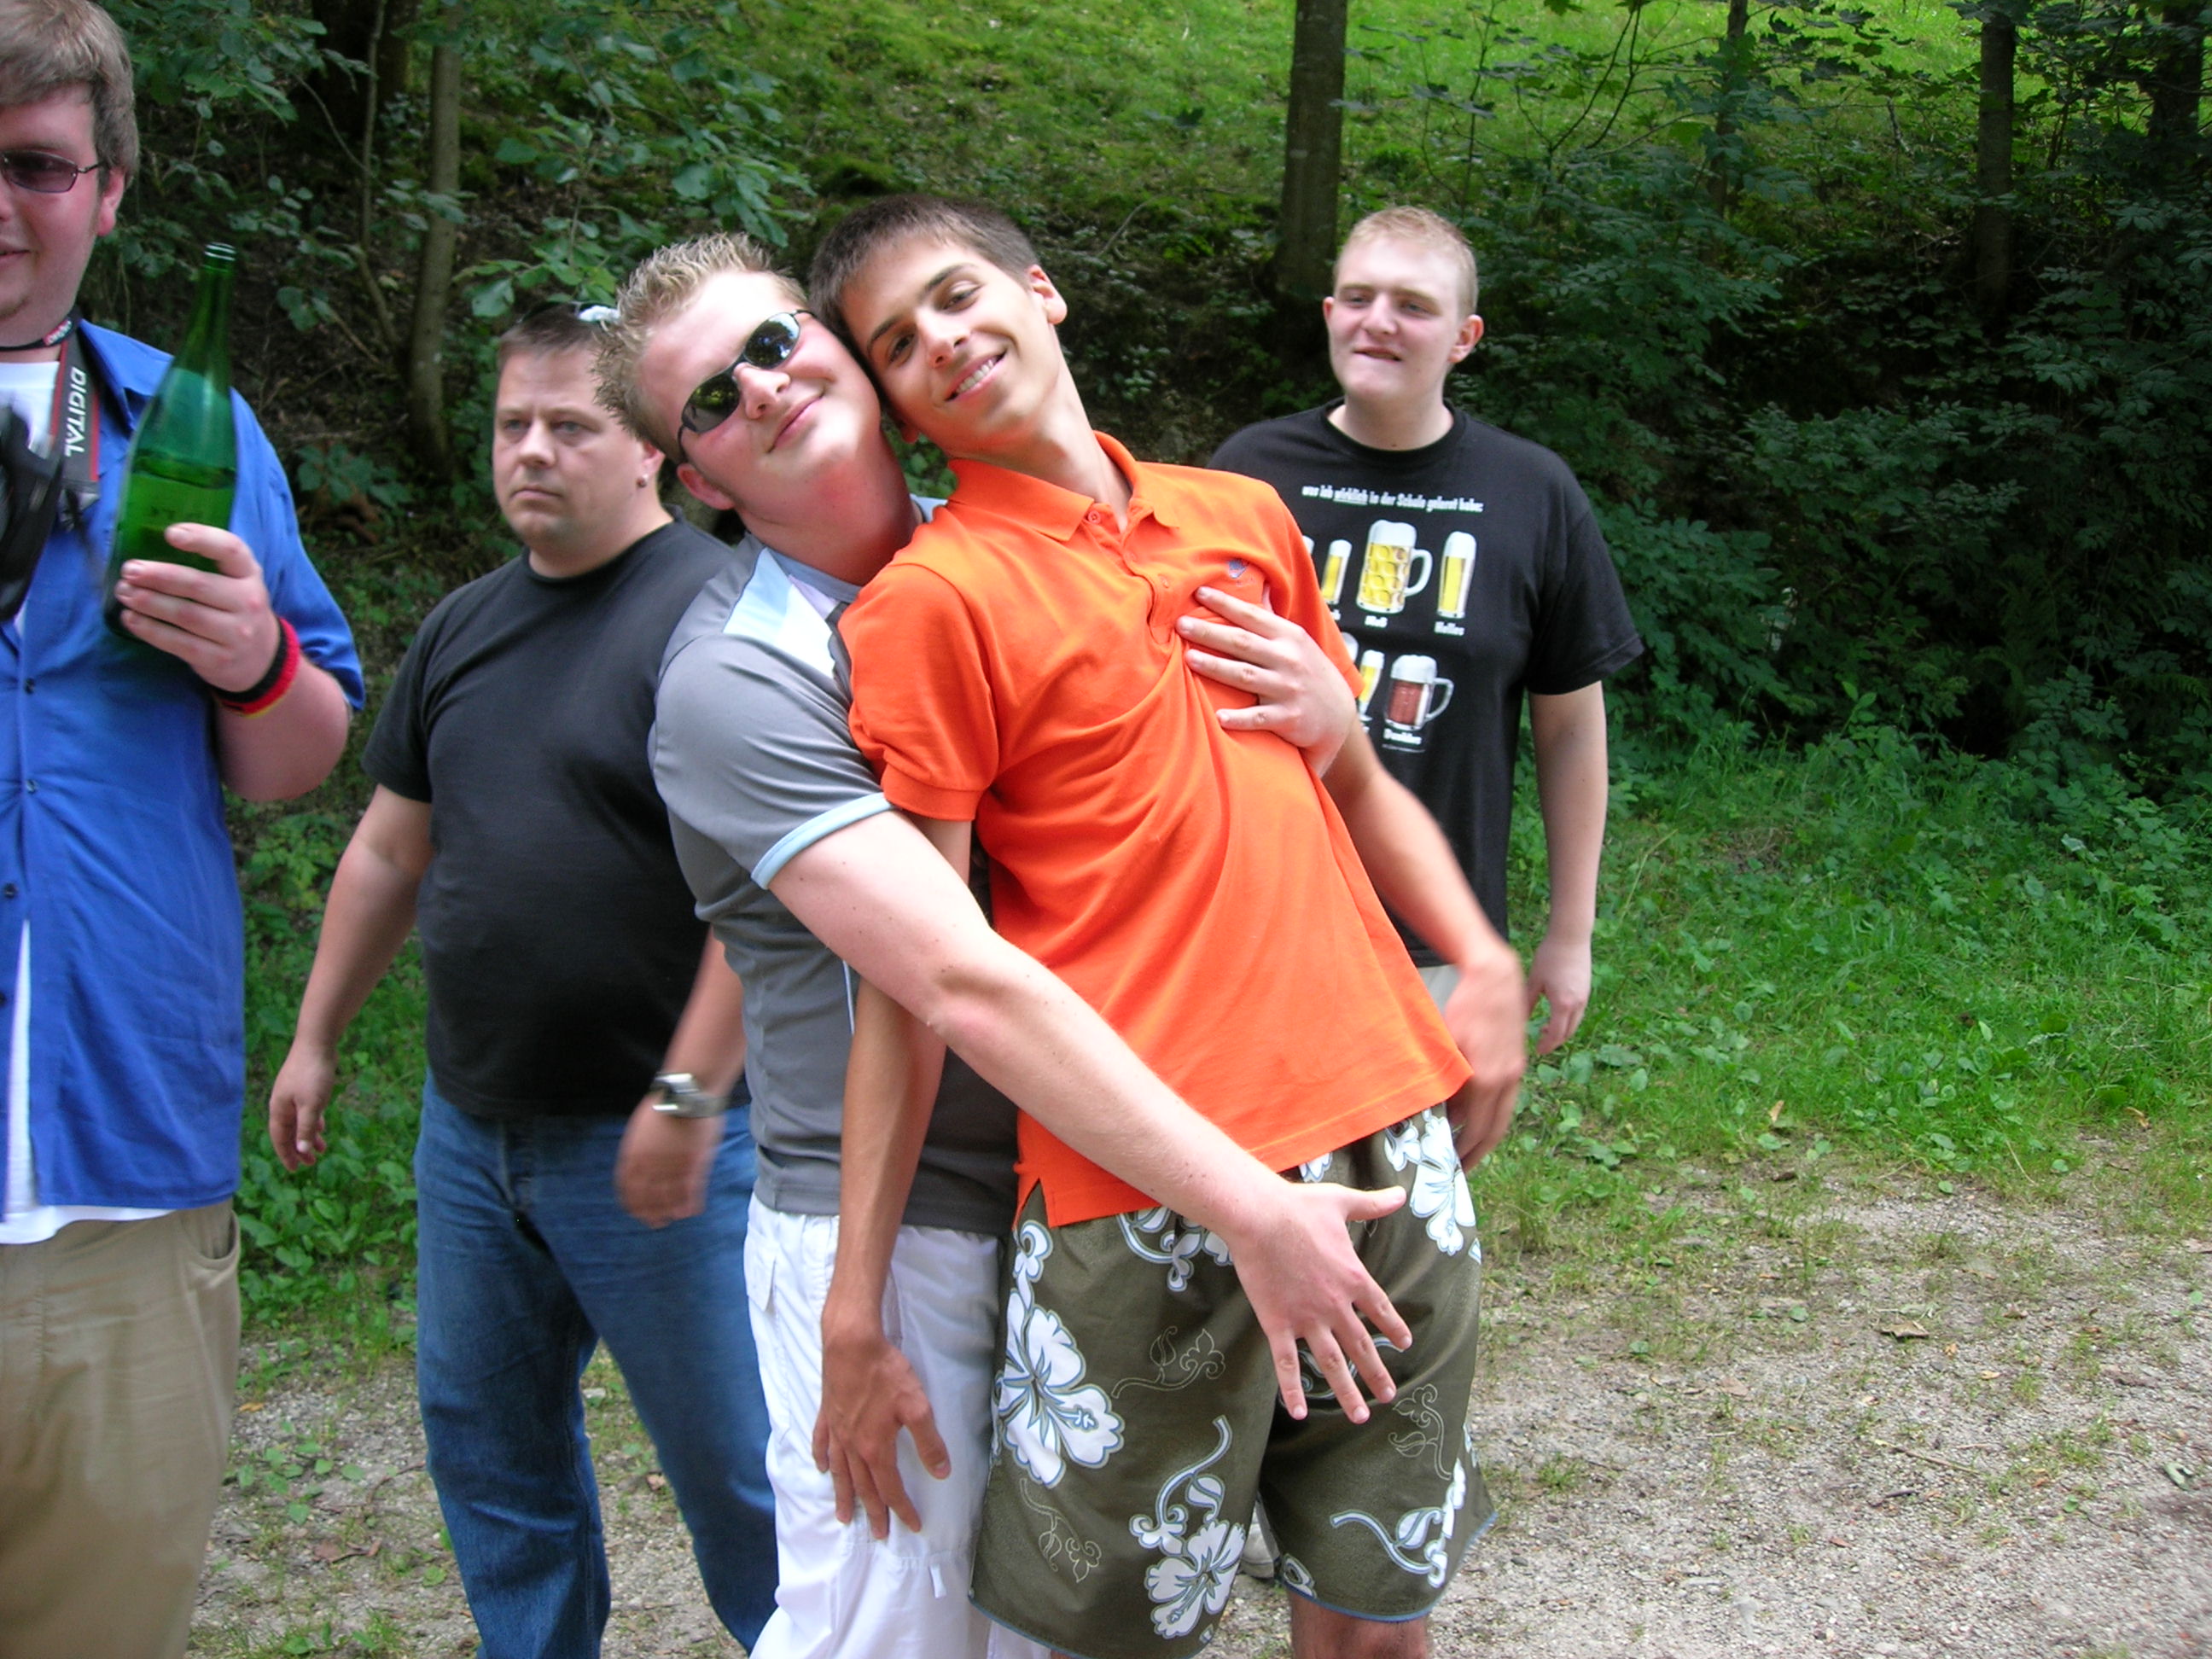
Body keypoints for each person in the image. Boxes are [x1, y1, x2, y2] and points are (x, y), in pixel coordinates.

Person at [596, 232, 1487, 1659]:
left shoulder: (1031, 530)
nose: (758, 389)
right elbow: (940, 973)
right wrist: (848, 1311)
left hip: (1095, 1149)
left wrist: (1363, 774)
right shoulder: (740, 677)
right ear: (694, 478)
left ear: (844, 367)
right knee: (896, 1635)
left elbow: (752, 923)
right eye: (708, 400)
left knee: (1077, 1625)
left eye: (773, 344)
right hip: (920, 1224)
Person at [265, 306, 776, 1657]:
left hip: (668, 1142)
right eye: (511, 425)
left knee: (743, 1475)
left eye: (570, 426)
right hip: (472, 1133)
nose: (530, 452)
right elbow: (391, 849)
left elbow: (770, 889)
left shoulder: (717, 615)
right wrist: (316, 1035)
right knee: (492, 1455)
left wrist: (689, 1093)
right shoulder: (464, 628)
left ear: (653, 448)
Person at [0, 4, 363, 1655]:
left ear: (110, 191)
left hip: (122, 1189)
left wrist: (252, 659)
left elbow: (302, 756)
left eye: (37, 166)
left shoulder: (187, 424)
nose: (4, 205)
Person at [1212, 207, 1644, 1052]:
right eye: (1358, 297)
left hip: (1436, 932)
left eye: (1413, 305)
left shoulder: (1533, 493)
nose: (1378, 321)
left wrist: (1571, 933)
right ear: (1329, 314)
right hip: (1256, 911)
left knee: (1422, 1146)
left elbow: (1569, 729)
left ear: (1463, 338)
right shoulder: (1247, 474)